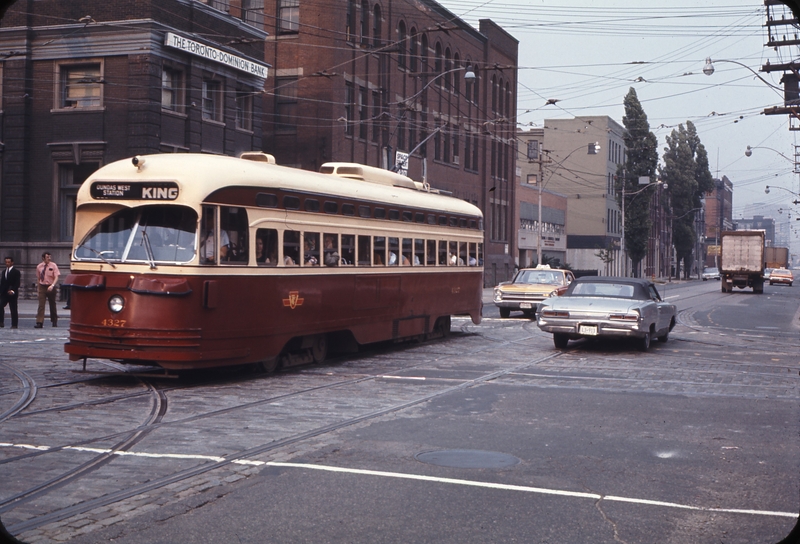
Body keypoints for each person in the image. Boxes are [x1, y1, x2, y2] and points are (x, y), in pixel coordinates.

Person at [35, 252, 60, 328]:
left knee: (52, 304)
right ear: (43, 258)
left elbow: (56, 277)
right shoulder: (39, 266)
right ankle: (39, 322)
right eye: (47, 257)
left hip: (50, 285)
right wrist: (38, 289)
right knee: (41, 305)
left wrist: (52, 285)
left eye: (50, 257)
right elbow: (38, 278)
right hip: (42, 286)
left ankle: (54, 320)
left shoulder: (53, 265)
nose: (49, 258)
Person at [0, 256, 21, 329]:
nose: (7, 264)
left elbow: (17, 283)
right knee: (0, 305)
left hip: (12, 293)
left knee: (13, 308)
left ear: (12, 263)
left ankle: (14, 324)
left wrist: (13, 290)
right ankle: (1, 322)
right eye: (6, 262)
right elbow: (2, 283)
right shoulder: (4, 272)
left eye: (8, 262)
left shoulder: (16, 272)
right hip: (4, 293)